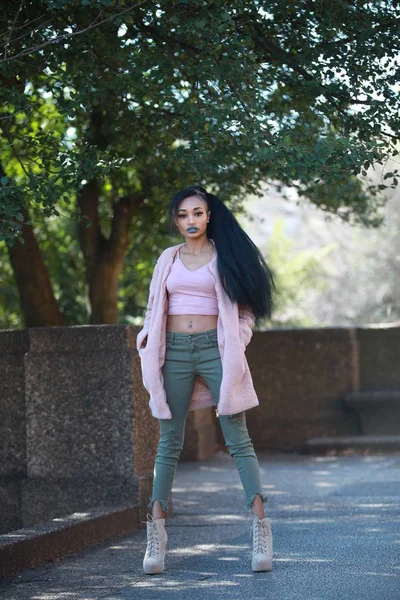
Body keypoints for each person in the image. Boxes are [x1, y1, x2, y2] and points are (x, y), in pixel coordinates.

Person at [136, 185, 275, 575]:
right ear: (176, 220)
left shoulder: (225, 255)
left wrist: (239, 339)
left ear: (209, 215)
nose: (191, 221)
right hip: (175, 351)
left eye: (197, 213)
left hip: (217, 350)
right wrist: (147, 338)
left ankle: (261, 530)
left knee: (237, 437)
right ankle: (157, 535)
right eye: (183, 215)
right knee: (169, 441)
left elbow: (246, 309)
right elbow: (153, 306)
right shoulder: (168, 258)